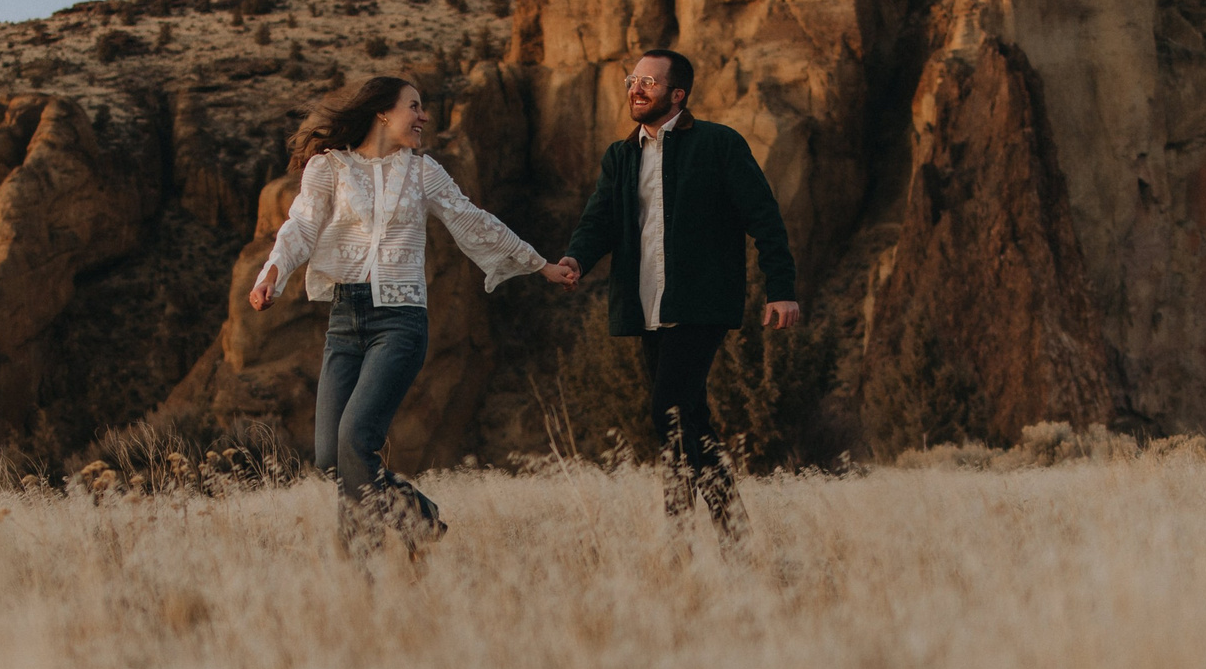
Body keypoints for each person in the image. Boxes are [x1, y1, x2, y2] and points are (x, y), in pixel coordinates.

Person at [250, 75, 577, 549]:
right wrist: (272, 274)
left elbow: (472, 219)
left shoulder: (423, 172)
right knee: (329, 456)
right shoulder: (329, 167)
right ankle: (422, 521)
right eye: (415, 106)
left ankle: (361, 566)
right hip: (345, 320)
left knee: (355, 439)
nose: (424, 116)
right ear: (383, 111)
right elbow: (301, 223)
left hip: (400, 321)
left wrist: (540, 264)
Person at [543, 49, 799, 528]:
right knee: (685, 418)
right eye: (632, 79)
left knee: (668, 410)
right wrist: (576, 258)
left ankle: (703, 526)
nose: (635, 89)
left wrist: (781, 288)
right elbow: (599, 220)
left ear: (677, 94)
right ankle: (713, 530)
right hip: (645, 305)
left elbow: (764, 217)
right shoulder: (621, 156)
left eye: (648, 82)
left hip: (702, 302)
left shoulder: (719, 144)